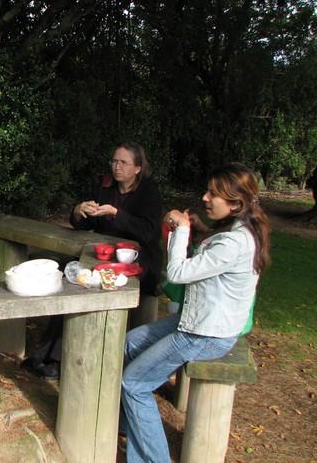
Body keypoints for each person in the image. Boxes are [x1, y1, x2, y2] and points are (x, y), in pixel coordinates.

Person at [120, 162, 271, 463]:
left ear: (236, 203)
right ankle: (132, 425)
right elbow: (215, 256)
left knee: (134, 383)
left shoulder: (235, 241)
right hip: (194, 323)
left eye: (213, 194)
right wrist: (201, 229)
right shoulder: (239, 229)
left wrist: (184, 230)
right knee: (127, 344)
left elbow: (176, 272)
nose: (204, 198)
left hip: (204, 334)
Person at [22, 142, 163, 379]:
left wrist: (116, 214)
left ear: (138, 168)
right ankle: (47, 353)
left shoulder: (148, 192)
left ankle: (69, 358)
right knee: (71, 279)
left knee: (97, 289)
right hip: (104, 256)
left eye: (123, 163)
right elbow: (87, 224)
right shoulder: (106, 185)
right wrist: (79, 212)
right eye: (114, 161)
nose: (116, 167)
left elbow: (148, 232)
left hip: (140, 262)